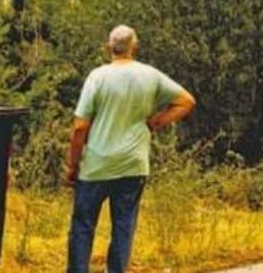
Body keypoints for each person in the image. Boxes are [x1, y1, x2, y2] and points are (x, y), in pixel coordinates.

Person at [66, 24, 196, 273]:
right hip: (133, 165)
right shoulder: (150, 75)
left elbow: (80, 127)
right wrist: (156, 121)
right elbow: (186, 101)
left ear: (108, 48)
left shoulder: (98, 77)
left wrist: (73, 165)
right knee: (123, 226)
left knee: (83, 225)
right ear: (134, 47)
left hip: (96, 166)